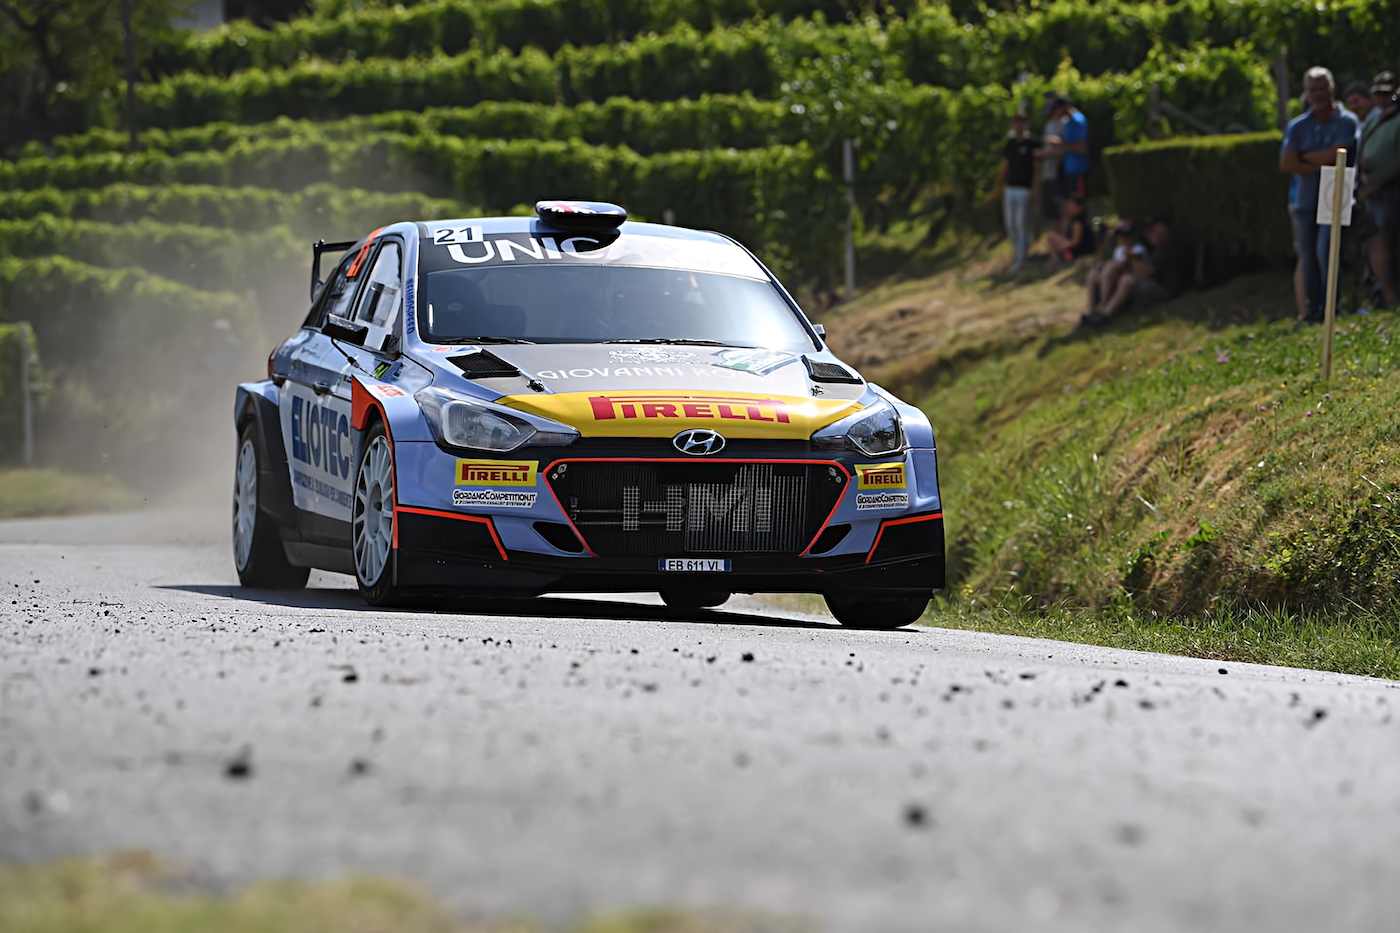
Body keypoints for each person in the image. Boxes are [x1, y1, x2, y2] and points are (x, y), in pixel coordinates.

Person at [1279, 66, 1362, 323]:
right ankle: (1311, 310)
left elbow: (1338, 154)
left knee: (1327, 251)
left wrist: (1304, 158)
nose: (1318, 94)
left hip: (1334, 197)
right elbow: (1286, 162)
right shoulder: (1297, 126)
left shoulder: (1346, 121)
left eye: (1323, 88)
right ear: (1307, 93)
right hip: (1302, 201)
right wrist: (1318, 161)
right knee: (1306, 256)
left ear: (1332, 89)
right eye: (1313, 89)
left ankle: (1331, 308)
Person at [1084, 218, 1188, 325]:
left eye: (1152, 231)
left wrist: (1131, 256)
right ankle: (1095, 311)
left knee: (1126, 280)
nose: (1149, 235)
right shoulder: (1163, 246)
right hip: (1157, 283)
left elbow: (1148, 272)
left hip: (1163, 289)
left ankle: (1105, 313)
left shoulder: (1163, 247)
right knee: (1100, 273)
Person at [1360, 79, 1400, 308]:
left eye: (1388, 93)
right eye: (1378, 93)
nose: (1384, 98)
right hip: (1372, 193)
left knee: (1387, 241)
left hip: (1391, 191)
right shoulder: (1373, 123)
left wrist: (1380, 185)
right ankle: (1382, 293)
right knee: (1374, 243)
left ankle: (1392, 294)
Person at [999, 110, 1039, 272]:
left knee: (1020, 223)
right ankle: (1017, 253)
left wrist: (1035, 188)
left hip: (1024, 188)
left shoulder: (1031, 143)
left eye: (1021, 121)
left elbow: (1037, 167)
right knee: (1010, 224)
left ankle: (1022, 256)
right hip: (1010, 188)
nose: (1018, 125)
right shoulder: (1010, 144)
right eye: (1016, 121)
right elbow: (1005, 165)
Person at [1084, 220, 1141, 320]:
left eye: (1125, 236)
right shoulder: (1118, 250)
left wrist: (1126, 257)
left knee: (1109, 270)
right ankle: (1091, 309)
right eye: (1120, 236)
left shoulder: (1137, 248)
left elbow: (1125, 265)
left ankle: (1104, 304)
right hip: (1115, 275)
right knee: (1095, 273)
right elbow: (1114, 262)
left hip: (1128, 276)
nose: (1122, 238)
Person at [1045, 94, 1090, 204]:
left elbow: (1081, 147)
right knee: (1070, 203)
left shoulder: (1078, 121)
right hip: (1070, 170)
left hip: (1079, 170)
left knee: (1078, 204)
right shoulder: (1067, 123)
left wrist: (1062, 145)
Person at [1037, 94, 1068, 233]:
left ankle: (1064, 236)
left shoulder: (1064, 123)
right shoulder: (1049, 124)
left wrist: (1044, 153)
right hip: (1047, 173)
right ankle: (1056, 238)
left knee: (1061, 207)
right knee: (1051, 211)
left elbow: (1064, 148)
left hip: (1059, 173)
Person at [1045, 196, 1094, 268]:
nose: (1070, 208)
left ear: (1079, 207)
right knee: (1051, 237)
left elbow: (1076, 242)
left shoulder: (1078, 221)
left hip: (1082, 250)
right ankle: (1056, 260)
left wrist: (1062, 247)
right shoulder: (1074, 219)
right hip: (1080, 248)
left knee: (1051, 237)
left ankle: (1056, 261)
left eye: (1072, 205)